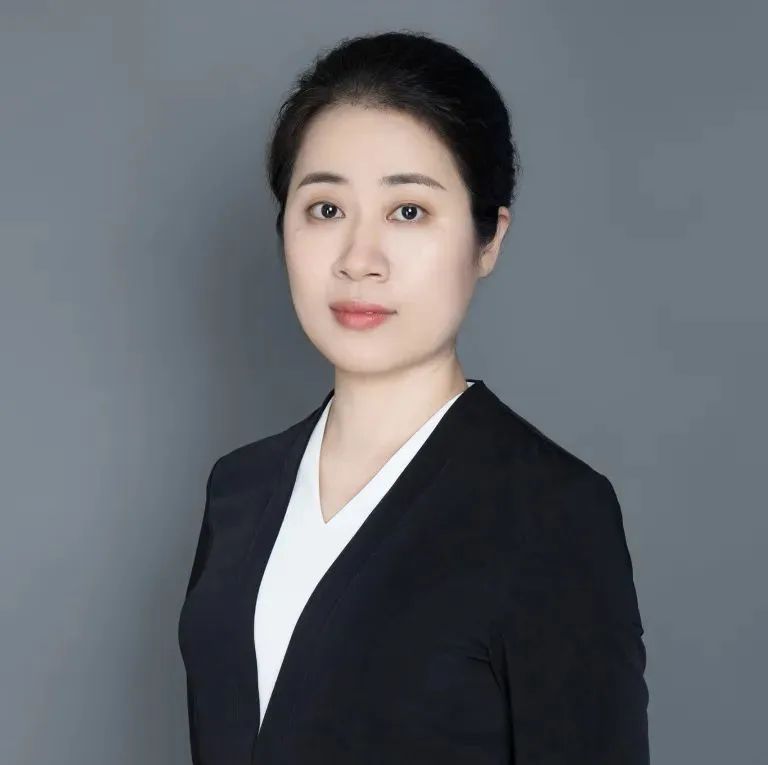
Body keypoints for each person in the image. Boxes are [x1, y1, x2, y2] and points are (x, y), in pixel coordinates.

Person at [177, 30, 650, 765]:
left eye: (408, 211)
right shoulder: (238, 490)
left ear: (488, 238)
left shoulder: (553, 514)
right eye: (325, 209)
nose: (359, 260)